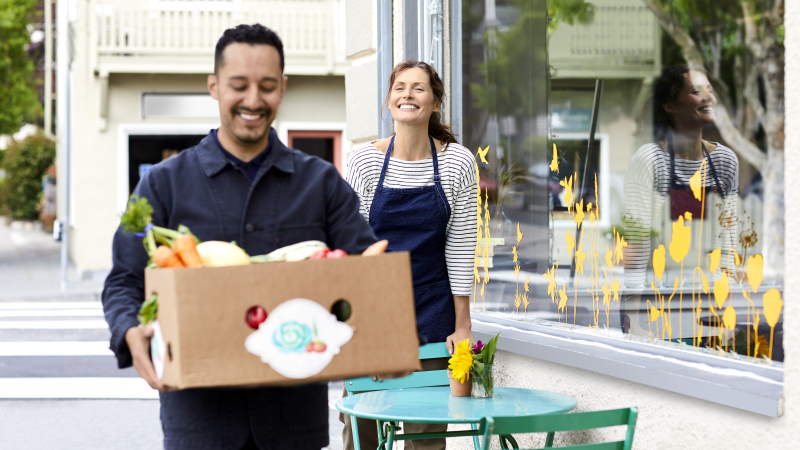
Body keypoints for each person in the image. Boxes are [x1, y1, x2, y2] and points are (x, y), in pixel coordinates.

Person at [102, 24, 377, 450]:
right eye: (238, 85)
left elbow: (363, 269)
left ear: (283, 88)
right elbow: (123, 280)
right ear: (214, 87)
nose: (253, 100)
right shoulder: (164, 185)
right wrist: (127, 331)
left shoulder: (318, 183)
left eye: (267, 86)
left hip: (292, 424)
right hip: (198, 420)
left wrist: (376, 288)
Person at [342, 61, 477, 450]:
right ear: (388, 101)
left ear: (435, 103)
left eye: (418, 88)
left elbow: (461, 246)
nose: (407, 94)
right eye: (399, 87)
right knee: (363, 425)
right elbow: (353, 246)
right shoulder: (364, 161)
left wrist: (462, 325)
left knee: (427, 429)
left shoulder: (457, 162)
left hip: (432, 307)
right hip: (372, 307)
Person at [622, 65, 739, 326]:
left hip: (709, 305)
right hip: (660, 305)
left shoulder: (724, 161)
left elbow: (727, 239)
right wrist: (632, 314)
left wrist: (725, 301)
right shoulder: (651, 161)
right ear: (670, 106)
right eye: (697, 91)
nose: (709, 97)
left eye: (710, 89)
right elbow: (638, 240)